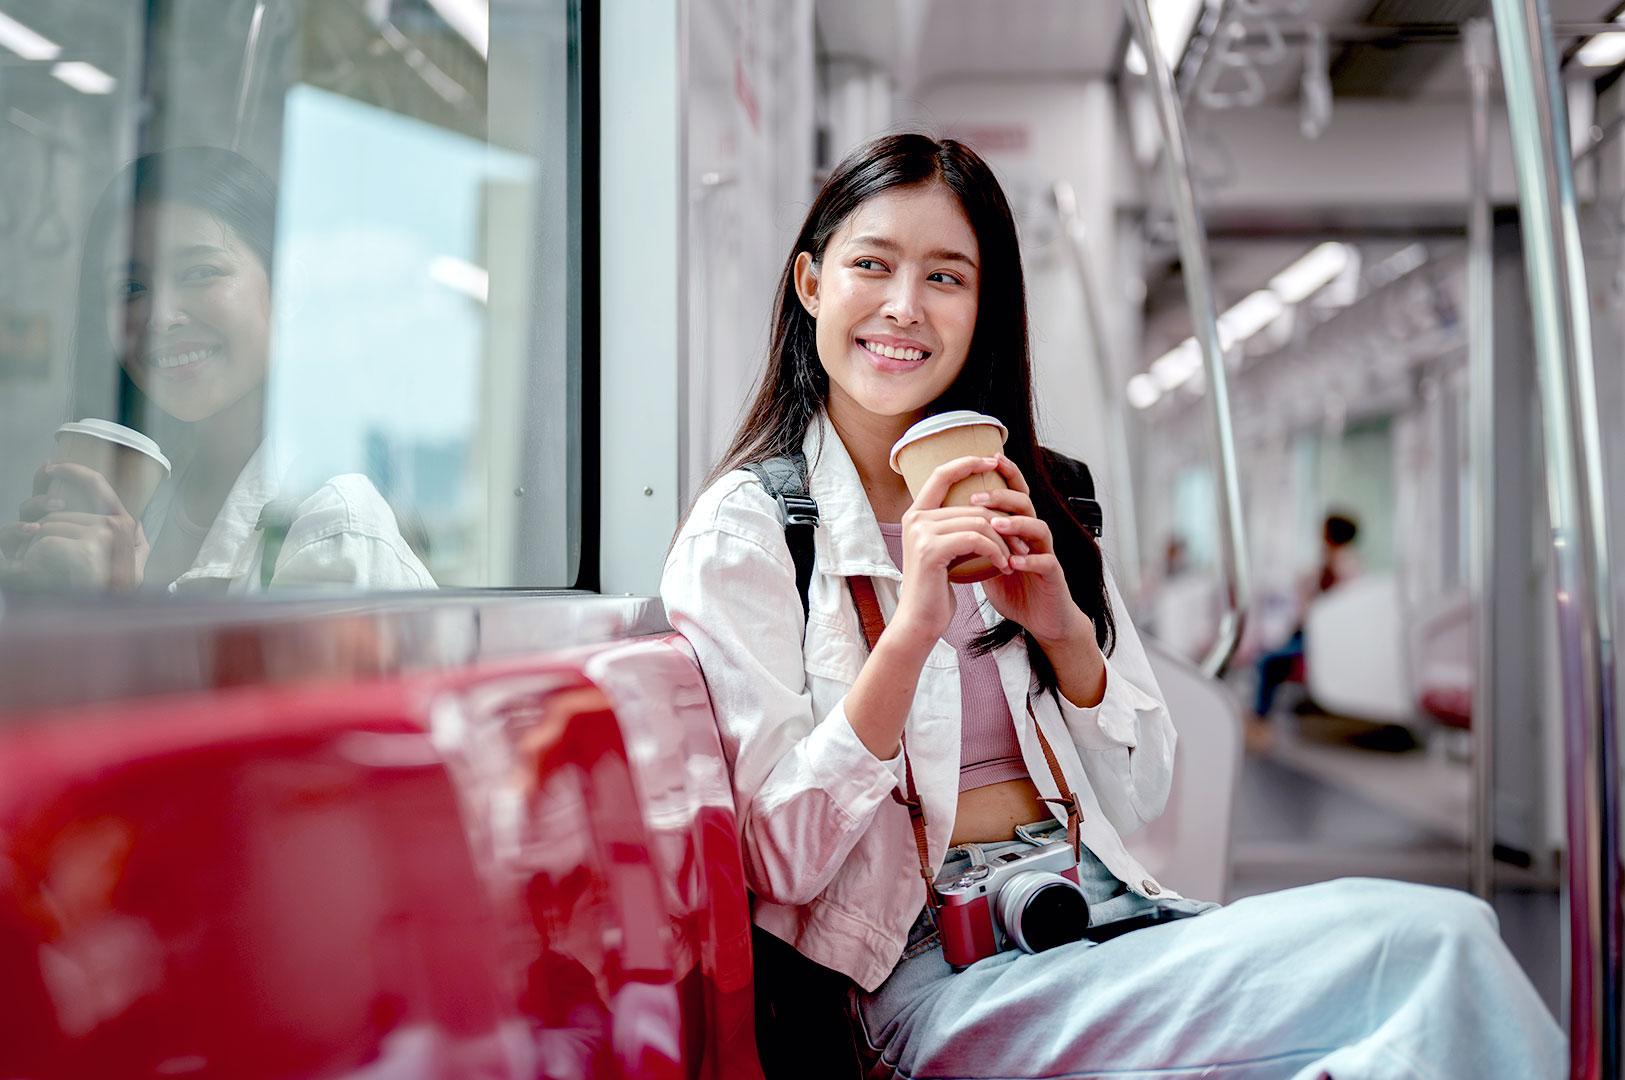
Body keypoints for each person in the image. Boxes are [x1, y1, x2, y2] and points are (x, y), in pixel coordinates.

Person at [661, 133, 1562, 1077]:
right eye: (871, 265)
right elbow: (778, 862)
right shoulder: (753, 533)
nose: (903, 306)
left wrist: (1062, 631)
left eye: (946, 278)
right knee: (1439, 944)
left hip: (1105, 916)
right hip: (936, 976)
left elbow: (1141, 790)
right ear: (811, 284)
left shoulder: (1039, 497)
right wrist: (914, 629)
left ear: (982, 310)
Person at [0, 147, 433, 596]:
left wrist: (116, 608)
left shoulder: (332, 524)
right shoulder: (151, 497)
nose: (160, 317)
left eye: (200, 272)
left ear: (286, 285)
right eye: (131, 287)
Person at [1251, 511, 1362, 722]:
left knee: (1268, 662)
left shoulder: (1344, 565)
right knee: (1267, 657)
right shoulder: (1328, 562)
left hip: (1323, 637)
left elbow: (1328, 603)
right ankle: (1260, 715)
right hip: (1306, 632)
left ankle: (1260, 719)